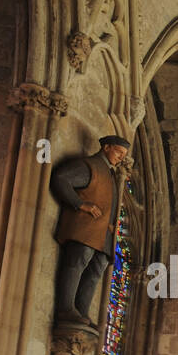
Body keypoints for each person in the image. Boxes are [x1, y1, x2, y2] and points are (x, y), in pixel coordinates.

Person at [50, 135, 130, 329]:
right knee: (77, 262)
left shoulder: (110, 174)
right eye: (118, 152)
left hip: (103, 237)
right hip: (85, 230)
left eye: (123, 155)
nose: (120, 158)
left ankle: (82, 312)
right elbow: (61, 179)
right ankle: (66, 308)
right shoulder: (90, 166)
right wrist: (80, 204)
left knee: (96, 269)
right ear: (106, 147)